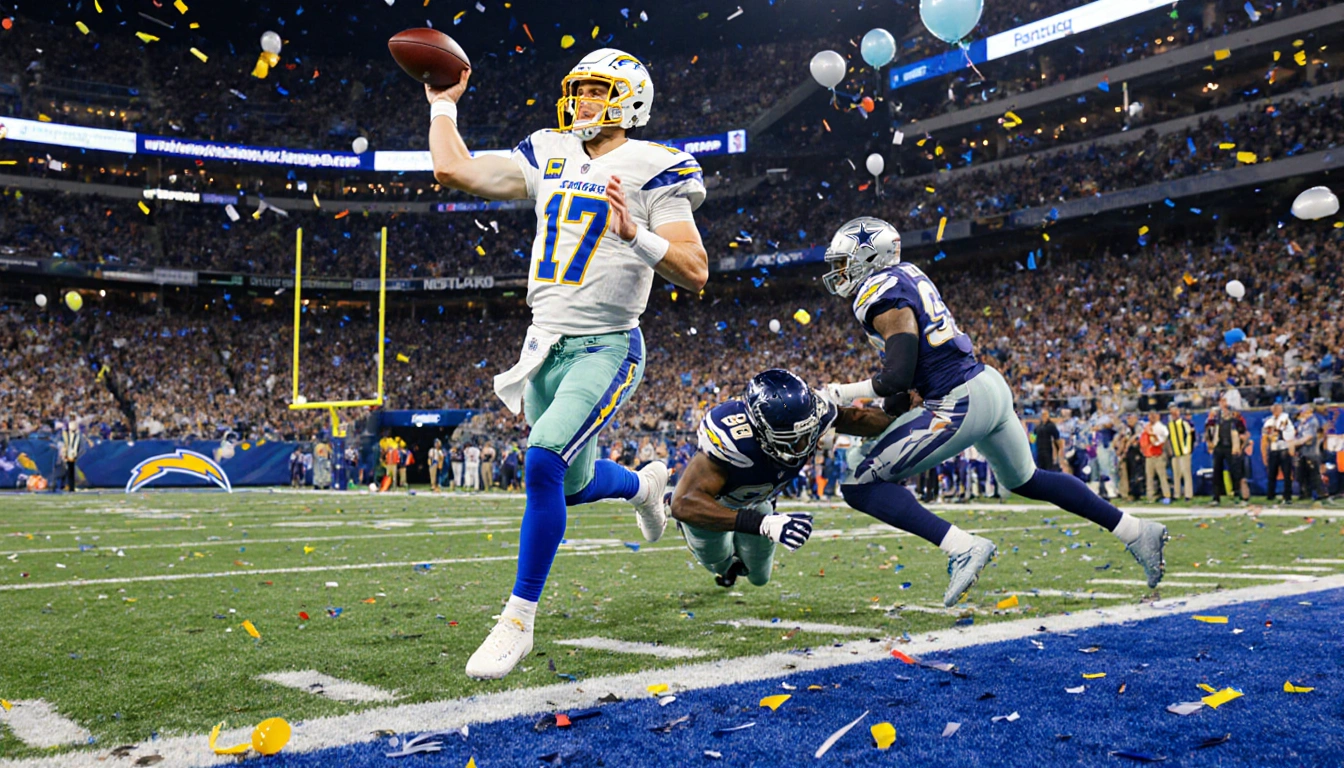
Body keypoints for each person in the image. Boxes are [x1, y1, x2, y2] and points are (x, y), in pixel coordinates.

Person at [427, 48, 710, 679]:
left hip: (608, 345)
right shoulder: (548, 149)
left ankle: (517, 621)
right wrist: (442, 103)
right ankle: (643, 485)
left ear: (630, 99)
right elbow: (454, 170)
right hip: (544, 346)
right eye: (577, 89)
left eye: (597, 90)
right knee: (574, 483)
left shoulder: (655, 166)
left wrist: (635, 233)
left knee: (543, 459)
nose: (582, 100)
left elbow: (695, 271)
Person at [819, 217, 1169, 607]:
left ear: (869, 258)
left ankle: (962, 546)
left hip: (958, 400)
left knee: (855, 481)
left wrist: (838, 393)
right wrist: (846, 418)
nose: (839, 273)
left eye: (845, 262)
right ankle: (1136, 530)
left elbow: (896, 375)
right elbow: (900, 394)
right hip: (988, 386)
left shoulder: (878, 292)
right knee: (1028, 479)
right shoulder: (908, 276)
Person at [671, 369, 892, 587]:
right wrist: (763, 524)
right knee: (718, 561)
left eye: (810, 432)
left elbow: (857, 418)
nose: (805, 443)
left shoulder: (814, 412)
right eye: (792, 438)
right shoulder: (733, 439)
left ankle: (744, 550)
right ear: (761, 431)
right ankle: (725, 568)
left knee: (759, 578)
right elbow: (683, 503)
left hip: (758, 502)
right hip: (717, 505)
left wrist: (904, 417)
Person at [1206, 399, 1247, 506]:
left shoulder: (1235, 422)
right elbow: (1208, 430)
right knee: (1217, 473)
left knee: (1235, 472)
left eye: (1226, 410)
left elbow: (1244, 434)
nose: (1224, 412)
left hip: (1231, 448)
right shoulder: (1216, 421)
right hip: (1219, 447)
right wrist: (1210, 443)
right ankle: (1216, 497)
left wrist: (1240, 447)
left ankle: (1237, 495)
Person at [1291, 403, 1332, 505]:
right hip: (1302, 452)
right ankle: (1305, 493)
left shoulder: (1312, 422)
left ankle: (1321, 494)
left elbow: (1309, 437)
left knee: (1314, 474)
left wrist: (1295, 443)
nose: (1302, 413)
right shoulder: (1302, 422)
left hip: (1311, 452)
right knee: (1302, 474)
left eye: (1304, 411)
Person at [1262, 402, 1295, 504]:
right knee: (1272, 473)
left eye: (1277, 409)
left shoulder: (1286, 419)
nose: (1275, 411)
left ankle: (1287, 496)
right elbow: (1265, 437)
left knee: (1286, 474)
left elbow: (1286, 433)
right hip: (1273, 449)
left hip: (1284, 448)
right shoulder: (1268, 421)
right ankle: (1270, 494)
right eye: (1274, 409)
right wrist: (1264, 452)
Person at [1140, 411, 1171, 504]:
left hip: (1158, 454)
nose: (1152, 418)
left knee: (1162, 476)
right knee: (1149, 477)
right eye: (1150, 416)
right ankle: (1150, 496)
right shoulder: (1147, 427)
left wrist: (1154, 437)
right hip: (1149, 455)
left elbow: (1162, 439)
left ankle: (1166, 495)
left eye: (1154, 416)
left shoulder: (1161, 427)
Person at [1167, 405, 1196, 502]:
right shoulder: (1170, 424)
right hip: (1175, 452)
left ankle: (1188, 494)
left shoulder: (1184, 423)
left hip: (1184, 452)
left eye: (1175, 412)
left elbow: (1190, 435)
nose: (1174, 414)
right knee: (1176, 474)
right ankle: (1177, 494)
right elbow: (1169, 438)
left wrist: (1188, 448)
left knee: (1186, 473)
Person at [59, 419, 83, 493]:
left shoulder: (74, 435)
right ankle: (66, 486)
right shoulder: (65, 435)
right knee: (67, 470)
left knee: (70, 470)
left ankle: (69, 486)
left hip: (70, 452)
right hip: (66, 452)